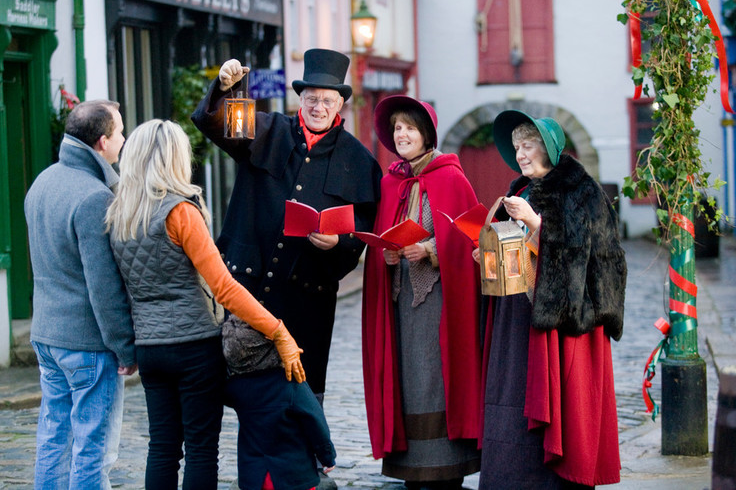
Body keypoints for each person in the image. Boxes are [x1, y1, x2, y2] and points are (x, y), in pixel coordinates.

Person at [105, 119, 305, 489]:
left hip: (150, 348)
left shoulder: (119, 214)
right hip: (194, 346)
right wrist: (277, 330)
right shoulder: (180, 212)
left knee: (162, 447)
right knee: (200, 448)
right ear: (174, 158)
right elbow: (224, 288)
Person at [191, 48, 382, 404]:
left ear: (340, 105)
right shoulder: (267, 127)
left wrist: (338, 243)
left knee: (301, 399)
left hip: (306, 300)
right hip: (247, 287)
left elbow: (362, 231)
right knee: (244, 396)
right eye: (311, 99)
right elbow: (212, 120)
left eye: (327, 100)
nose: (319, 108)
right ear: (300, 99)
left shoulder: (360, 160)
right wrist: (222, 87)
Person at [476, 110, 626, 489]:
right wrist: (489, 251)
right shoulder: (519, 191)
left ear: (548, 148)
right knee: (511, 400)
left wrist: (536, 223)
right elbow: (517, 253)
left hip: (562, 326)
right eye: (516, 147)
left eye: (527, 146)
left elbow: (591, 258)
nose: (520, 154)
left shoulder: (581, 192)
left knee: (560, 408)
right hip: (516, 320)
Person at [362, 95, 483, 490]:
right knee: (408, 381)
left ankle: (447, 465)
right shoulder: (389, 182)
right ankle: (412, 465)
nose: (402, 134)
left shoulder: (452, 178)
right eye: (397, 128)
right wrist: (390, 255)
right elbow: (383, 237)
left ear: (426, 134)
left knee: (437, 376)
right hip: (399, 305)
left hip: (440, 304)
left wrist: (429, 249)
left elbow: (469, 240)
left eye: (410, 128)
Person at [24, 99, 137, 489]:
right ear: (103, 141)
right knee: (92, 446)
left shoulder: (43, 181)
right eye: (120, 131)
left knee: (54, 437)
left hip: (46, 335)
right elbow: (103, 287)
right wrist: (125, 347)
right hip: (87, 343)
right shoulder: (94, 197)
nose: (124, 138)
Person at [223, 315, 336, 490]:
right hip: (293, 474)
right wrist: (327, 455)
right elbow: (315, 419)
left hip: (255, 476)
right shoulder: (290, 382)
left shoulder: (235, 387)